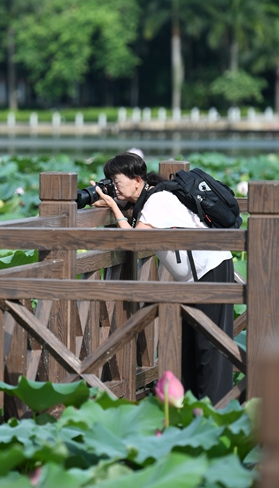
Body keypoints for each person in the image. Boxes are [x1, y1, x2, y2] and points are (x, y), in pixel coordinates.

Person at [90, 152, 234, 405]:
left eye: (116, 181)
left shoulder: (157, 200)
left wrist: (114, 207)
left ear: (136, 180)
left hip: (210, 272)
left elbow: (135, 242)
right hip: (197, 278)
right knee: (191, 349)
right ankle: (193, 410)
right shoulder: (152, 196)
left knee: (210, 349)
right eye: (110, 183)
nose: (113, 187)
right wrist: (115, 204)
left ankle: (216, 413)